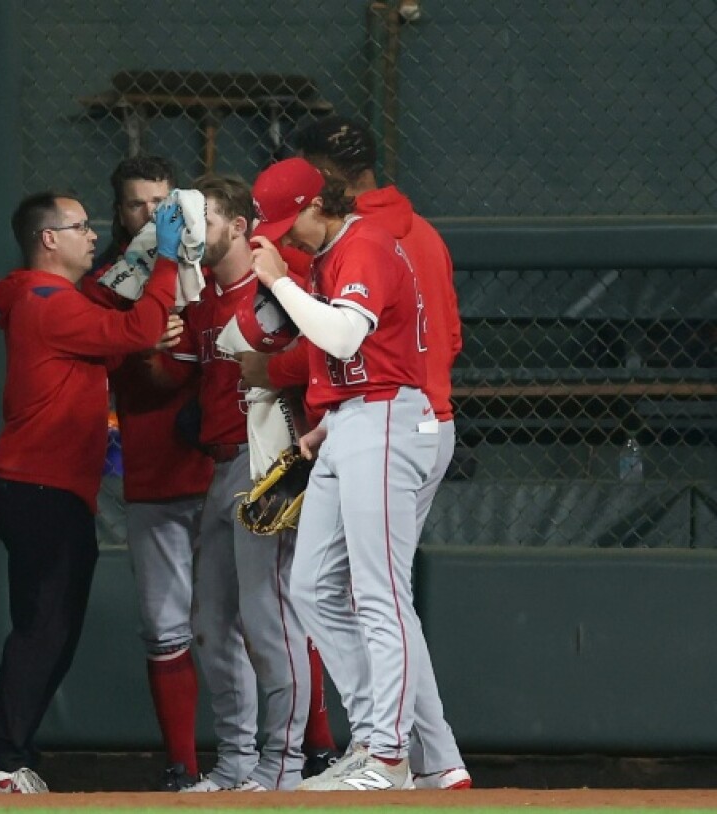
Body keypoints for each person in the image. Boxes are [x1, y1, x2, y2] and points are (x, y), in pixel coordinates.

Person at [246, 116, 469, 789]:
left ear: (317, 203)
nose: (288, 244)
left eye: (291, 228)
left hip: (393, 420)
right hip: (353, 419)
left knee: (380, 592)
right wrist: (327, 421)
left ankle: (389, 753)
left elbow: (345, 337)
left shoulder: (367, 243)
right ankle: (378, 739)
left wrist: (279, 281)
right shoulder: (339, 248)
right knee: (311, 587)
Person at [0, 190, 181, 794]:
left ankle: (8, 758)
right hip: (42, 490)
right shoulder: (45, 300)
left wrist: (137, 322)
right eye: (80, 226)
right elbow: (135, 325)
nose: (93, 234)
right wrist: (164, 260)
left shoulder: (52, 300)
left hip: (46, 490)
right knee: (44, 629)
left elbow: (112, 338)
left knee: (51, 629)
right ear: (48, 239)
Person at [162, 175, 311, 792]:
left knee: (267, 618)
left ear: (239, 228)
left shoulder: (274, 288)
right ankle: (235, 768)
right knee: (210, 620)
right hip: (220, 468)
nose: (194, 230)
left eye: (205, 218)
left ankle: (284, 768)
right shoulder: (200, 299)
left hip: (269, 467)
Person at [82, 156, 213, 791]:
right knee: (166, 628)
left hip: (223, 470)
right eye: (138, 205)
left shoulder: (216, 270)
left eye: (163, 202)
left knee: (258, 621)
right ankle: (182, 769)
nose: (152, 215)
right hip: (154, 475)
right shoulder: (107, 286)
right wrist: (141, 339)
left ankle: (296, 757)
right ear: (119, 212)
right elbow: (143, 377)